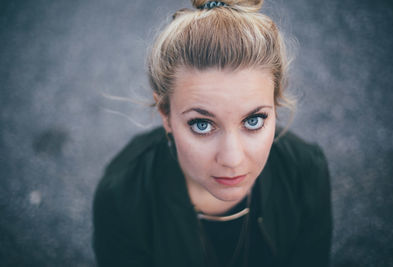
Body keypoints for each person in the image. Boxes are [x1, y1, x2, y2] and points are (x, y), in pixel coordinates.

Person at [92, 0, 332, 266]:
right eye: (202, 125)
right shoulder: (124, 195)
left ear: (275, 107)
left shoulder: (305, 171)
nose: (232, 159)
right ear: (166, 114)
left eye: (253, 120)